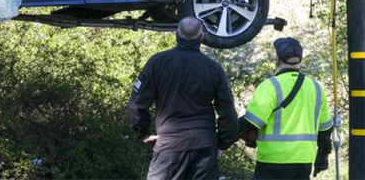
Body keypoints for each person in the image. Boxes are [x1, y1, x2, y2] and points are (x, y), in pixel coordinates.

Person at [126, 17, 238, 180]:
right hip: (204, 147)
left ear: (176, 35)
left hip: (169, 146)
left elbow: (135, 105)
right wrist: (222, 143)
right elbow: (227, 111)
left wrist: (143, 133)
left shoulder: (157, 62)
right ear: (201, 37)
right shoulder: (213, 68)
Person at [239, 37, 333, 180]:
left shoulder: (270, 86)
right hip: (303, 161)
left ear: (277, 59)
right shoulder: (316, 88)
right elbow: (325, 130)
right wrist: (322, 157)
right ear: (300, 60)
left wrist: (226, 137)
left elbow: (251, 123)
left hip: (272, 161)